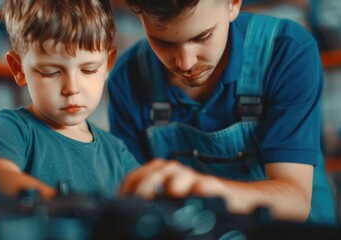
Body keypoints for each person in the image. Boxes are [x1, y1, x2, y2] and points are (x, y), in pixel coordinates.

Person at [108, 0, 337, 224]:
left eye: (202, 37)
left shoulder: (287, 50)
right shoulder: (127, 79)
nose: (185, 63)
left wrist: (210, 191)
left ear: (233, 4)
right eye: (164, 43)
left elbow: (296, 202)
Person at [0, 0, 139, 200]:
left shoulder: (116, 152)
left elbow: (146, 189)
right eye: (51, 72)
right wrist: (66, 205)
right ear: (19, 69)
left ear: (108, 64)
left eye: (88, 69)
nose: (72, 89)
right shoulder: (12, 129)